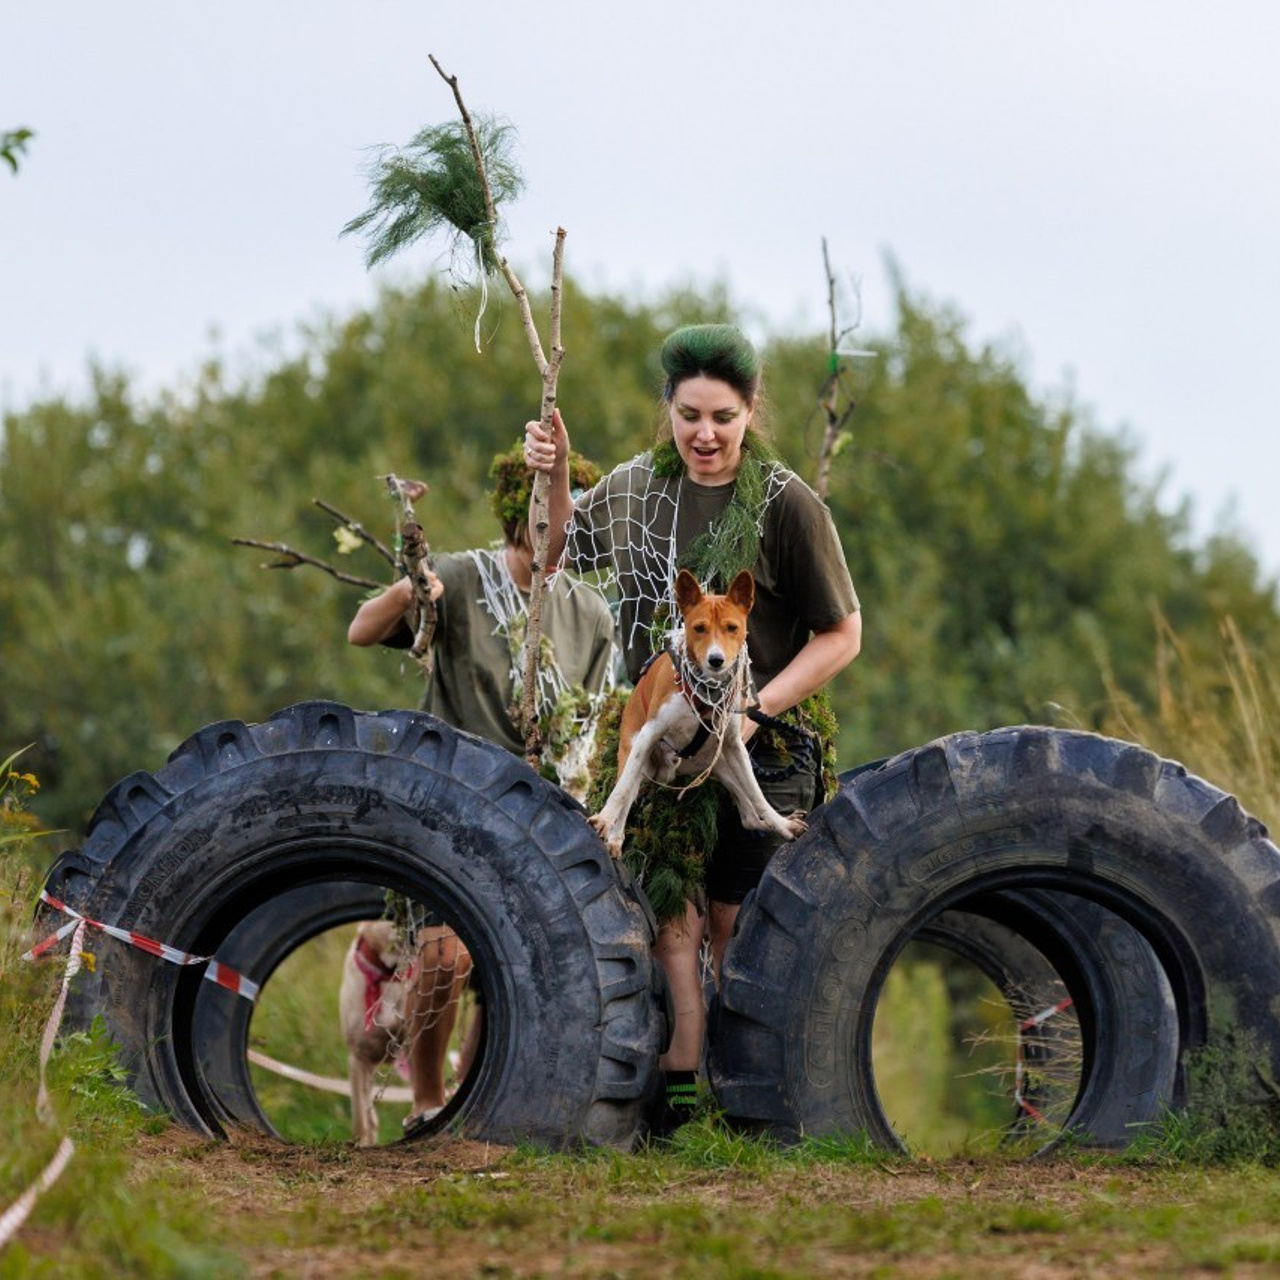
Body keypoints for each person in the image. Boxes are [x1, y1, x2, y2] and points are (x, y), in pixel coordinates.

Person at [524, 323, 861, 1134]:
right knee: (667, 927)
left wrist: (755, 712)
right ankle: (674, 1114)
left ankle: (754, 1109)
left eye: (722, 416)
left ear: (750, 411)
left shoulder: (788, 505)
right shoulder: (640, 488)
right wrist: (557, 474)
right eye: (688, 416)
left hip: (762, 740)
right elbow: (556, 553)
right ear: (668, 412)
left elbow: (842, 634)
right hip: (664, 734)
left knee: (736, 930)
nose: (704, 435)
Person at [347, 441, 616, 1132]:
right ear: (519, 517)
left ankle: (478, 1105)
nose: (565, 526)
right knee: (448, 952)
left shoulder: (590, 612)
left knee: (522, 969)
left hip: (544, 813)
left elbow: (595, 721)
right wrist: (413, 588)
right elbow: (361, 630)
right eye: (555, 510)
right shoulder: (466, 578)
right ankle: (429, 1105)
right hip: (453, 806)